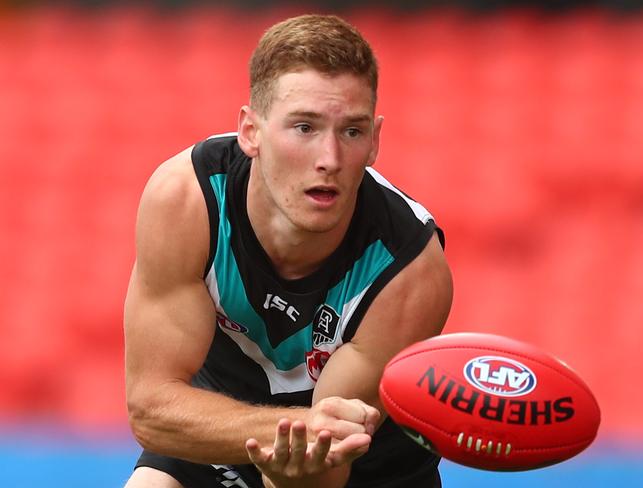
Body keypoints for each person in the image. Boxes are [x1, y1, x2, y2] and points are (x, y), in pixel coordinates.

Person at [123, 14, 452, 488]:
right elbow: (151, 410)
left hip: (362, 468)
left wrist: (306, 440)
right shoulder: (187, 199)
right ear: (250, 131)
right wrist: (287, 431)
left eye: (352, 132)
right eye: (304, 127)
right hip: (221, 430)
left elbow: (324, 466)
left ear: (376, 140)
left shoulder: (410, 269)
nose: (330, 160)